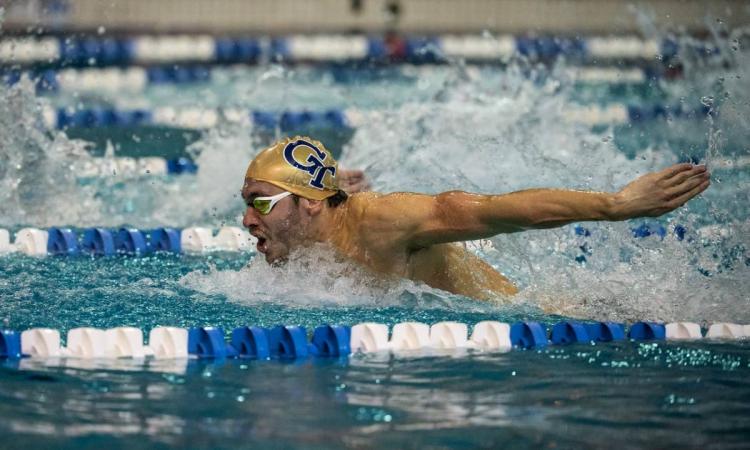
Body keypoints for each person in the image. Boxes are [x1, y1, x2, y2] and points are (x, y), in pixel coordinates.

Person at [241, 136, 711, 301]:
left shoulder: (384, 223)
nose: (246, 220)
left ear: (311, 202)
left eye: (260, 202)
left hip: (524, 317)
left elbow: (495, 211)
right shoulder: (296, 252)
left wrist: (616, 205)